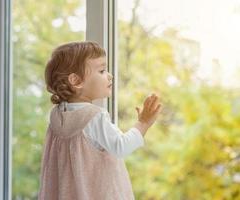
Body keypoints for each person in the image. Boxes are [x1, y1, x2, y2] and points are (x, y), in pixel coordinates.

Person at [38, 41, 162, 200]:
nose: (110, 75)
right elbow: (120, 146)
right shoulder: (93, 117)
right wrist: (143, 123)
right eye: (102, 71)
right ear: (76, 81)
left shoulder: (56, 115)